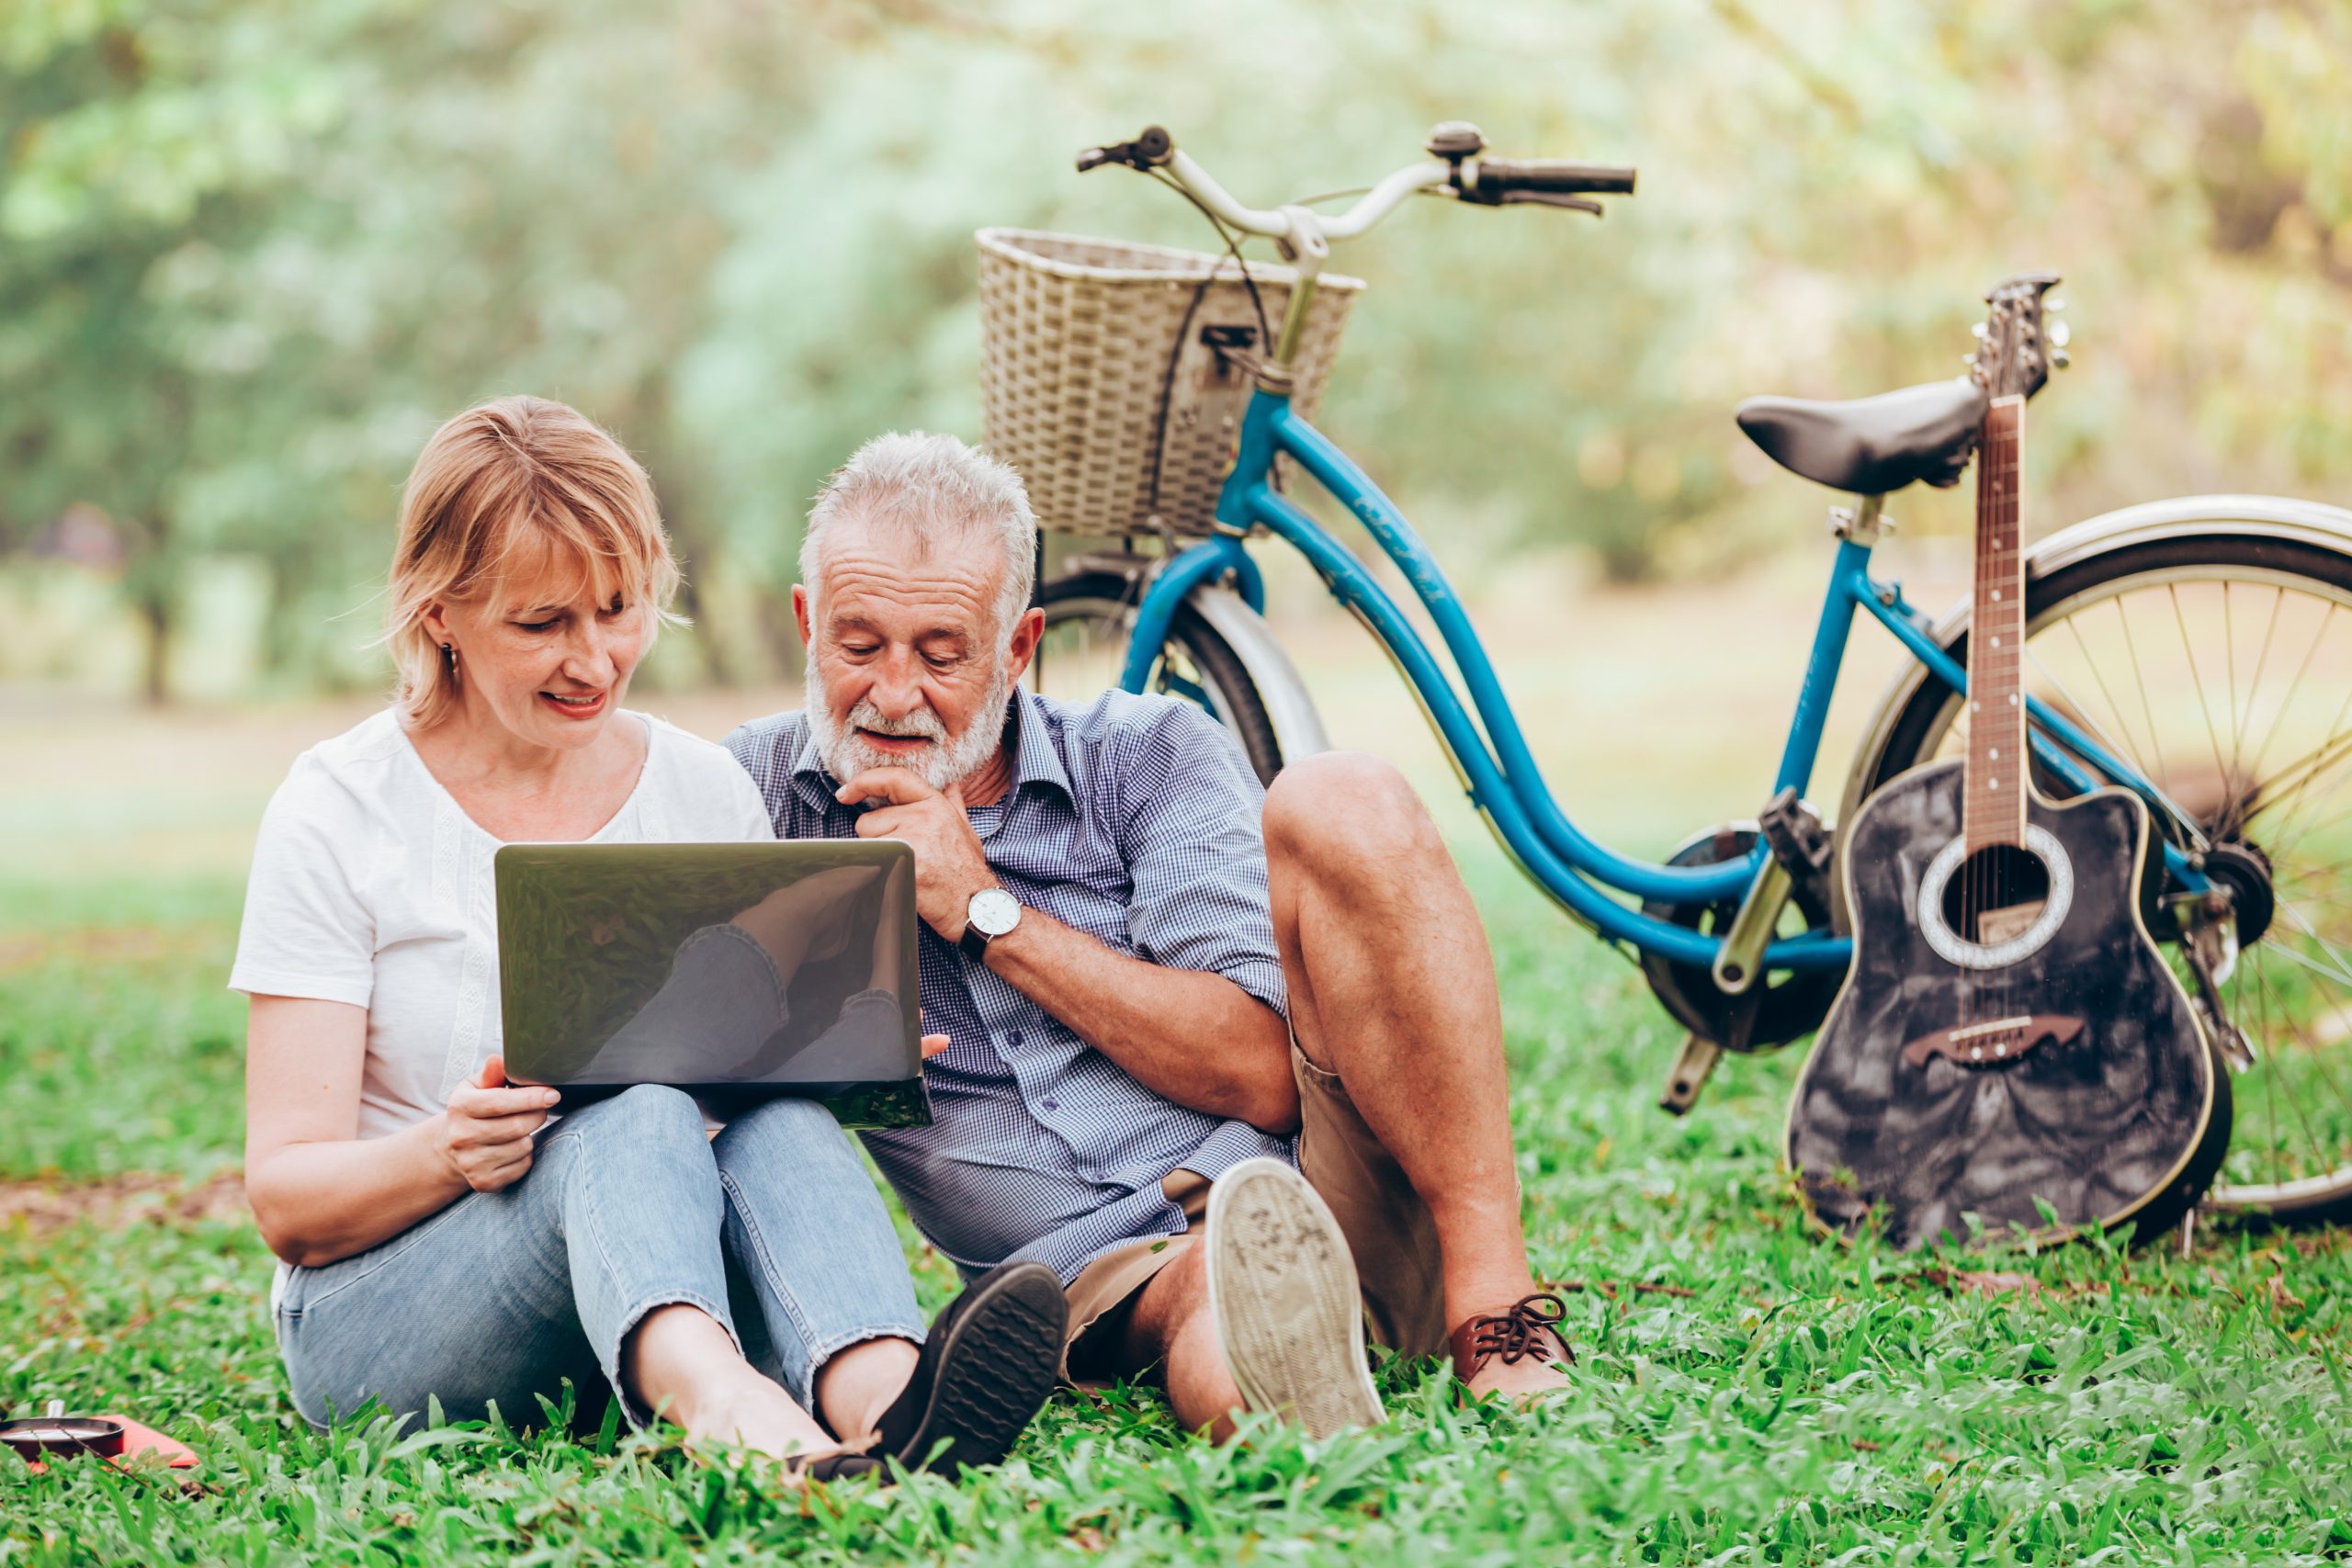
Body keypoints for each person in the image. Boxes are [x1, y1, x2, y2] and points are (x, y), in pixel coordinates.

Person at [232, 398, 1064, 1481]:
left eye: (620, 610)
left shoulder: (698, 787)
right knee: (625, 1112)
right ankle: (729, 1421)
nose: (596, 660)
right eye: (543, 624)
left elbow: (736, 1097)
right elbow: (289, 1204)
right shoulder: (339, 808)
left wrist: (830, 1054)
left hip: (650, 1283)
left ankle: (888, 1400)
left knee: (774, 1120)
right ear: (441, 614)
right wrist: (450, 1150)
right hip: (389, 1315)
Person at [727, 432, 1574, 1440]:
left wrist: (985, 909)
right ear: (805, 622)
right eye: (857, 646)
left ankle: (1493, 1312)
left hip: (1311, 1174)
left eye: (942, 655)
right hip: (1105, 1280)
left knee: (1345, 793)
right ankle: (1289, 1406)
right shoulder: (748, 800)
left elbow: (1259, 1076)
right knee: (1216, 1319)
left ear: (1017, 649)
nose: (894, 694)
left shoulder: (1144, 758)